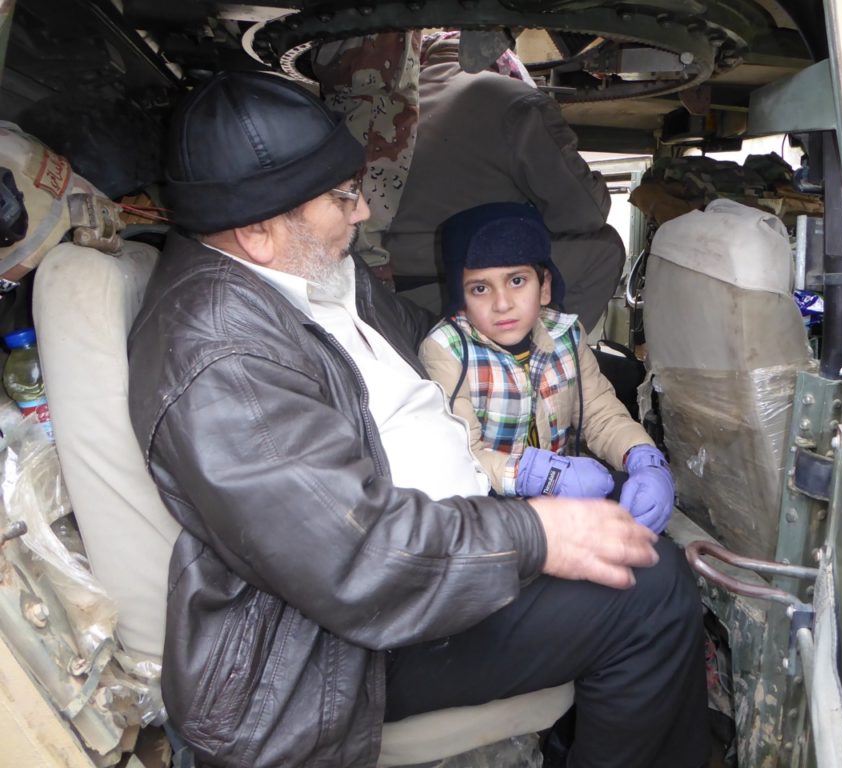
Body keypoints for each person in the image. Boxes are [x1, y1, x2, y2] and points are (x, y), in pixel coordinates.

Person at [129, 71, 709, 768]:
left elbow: (433, 345)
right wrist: (535, 532)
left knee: (628, 501)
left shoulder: (305, 274)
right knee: (652, 590)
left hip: (425, 561)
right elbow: (359, 560)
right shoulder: (224, 361)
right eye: (342, 198)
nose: (363, 212)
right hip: (326, 649)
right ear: (256, 230)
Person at [420, 201, 674, 533]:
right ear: (461, 298)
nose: (502, 303)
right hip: (491, 511)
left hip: (565, 495)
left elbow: (599, 413)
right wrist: (540, 475)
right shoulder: (447, 350)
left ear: (545, 288)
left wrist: (644, 457)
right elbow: (462, 455)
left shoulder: (566, 334)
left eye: (516, 281)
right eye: (480, 288)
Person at [382, 31, 626, 332]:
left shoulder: (392, 101)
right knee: (606, 248)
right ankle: (548, 364)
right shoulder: (517, 103)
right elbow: (583, 215)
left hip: (389, 290)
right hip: (457, 288)